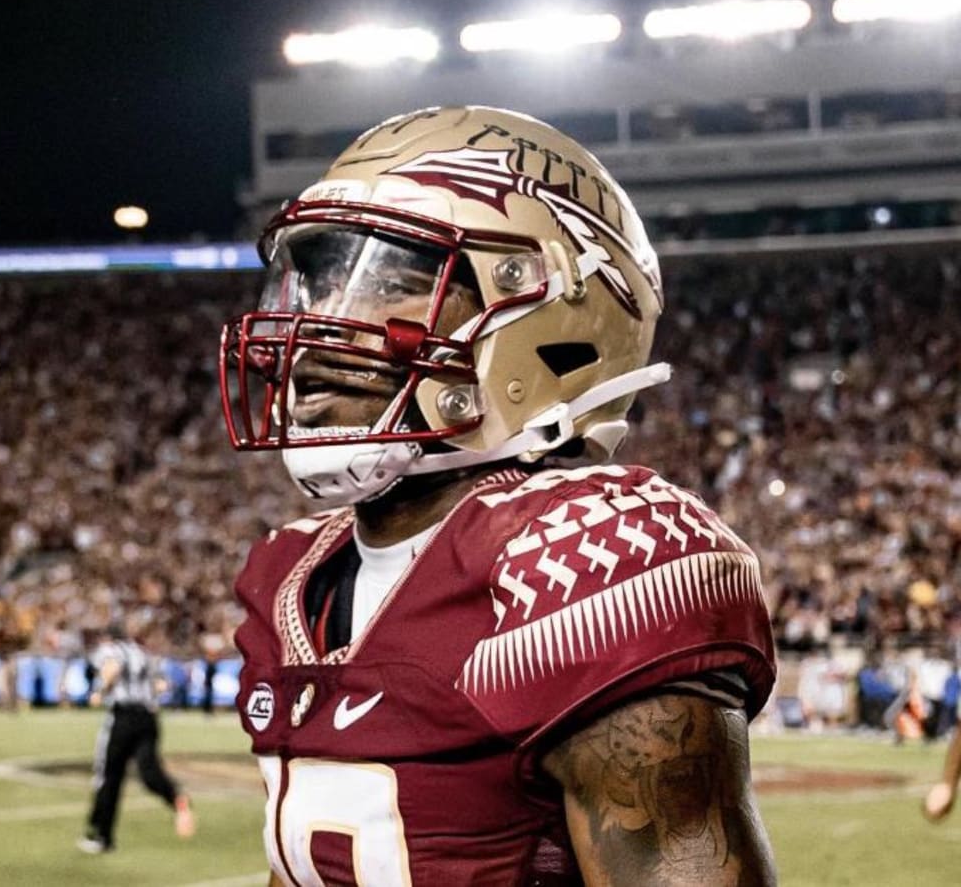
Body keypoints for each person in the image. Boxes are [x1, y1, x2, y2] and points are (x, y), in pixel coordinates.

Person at [219, 106, 778, 884]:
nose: (316, 322)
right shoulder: (292, 576)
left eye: (387, 282)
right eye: (313, 281)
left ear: (546, 316)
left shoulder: (591, 560)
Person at [77, 622, 195, 854]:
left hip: (123, 718)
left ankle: (102, 835)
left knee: (109, 777)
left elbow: (111, 669)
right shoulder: (142, 653)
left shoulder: (112, 650)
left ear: (108, 638)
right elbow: (161, 685)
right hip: (148, 718)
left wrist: (99, 691)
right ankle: (175, 796)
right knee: (150, 772)